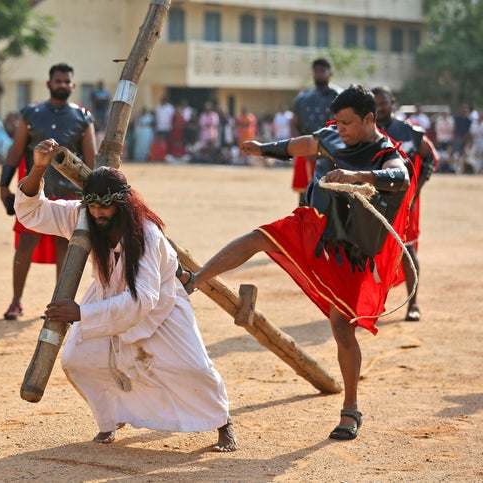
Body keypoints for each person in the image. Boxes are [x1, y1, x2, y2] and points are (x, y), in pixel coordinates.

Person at [187, 85, 415, 441]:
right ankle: (196, 279)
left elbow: (400, 177)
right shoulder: (331, 135)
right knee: (258, 237)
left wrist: (360, 177)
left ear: (369, 119)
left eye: (347, 123)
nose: (340, 129)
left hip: (351, 249)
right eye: (337, 122)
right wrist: (263, 149)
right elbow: (302, 144)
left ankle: (351, 410)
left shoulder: (384, 153)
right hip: (314, 225)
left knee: (342, 329)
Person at [14, 138, 238, 452]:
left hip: (161, 304)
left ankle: (223, 422)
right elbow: (33, 213)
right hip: (107, 300)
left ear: (122, 203)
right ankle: (112, 417)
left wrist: (81, 314)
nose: (97, 212)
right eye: (91, 205)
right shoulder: (85, 216)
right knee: (77, 359)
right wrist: (38, 169)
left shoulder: (146, 234)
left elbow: (142, 300)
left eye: (104, 205)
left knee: (193, 368)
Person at [0, 63, 96, 320]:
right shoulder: (30, 114)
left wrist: (93, 191)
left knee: (66, 245)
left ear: (72, 86)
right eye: (58, 80)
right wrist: (3, 184)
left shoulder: (84, 118)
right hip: (35, 190)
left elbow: (91, 159)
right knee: (25, 244)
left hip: (69, 193)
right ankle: (16, 301)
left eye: (67, 81)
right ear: (49, 83)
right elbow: (15, 150)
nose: (62, 85)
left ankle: (59, 303)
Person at [372, 87, 438, 322]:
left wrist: (416, 188)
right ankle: (373, 303)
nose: (379, 108)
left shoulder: (410, 131)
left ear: (393, 102)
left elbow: (430, 156)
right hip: (374, 202)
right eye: (375, 103)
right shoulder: (366, 132)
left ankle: (413, 304)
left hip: (405, 204)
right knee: (370, 252)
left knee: (407, 250)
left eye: (383, 103)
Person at [291, 58, 342, 205]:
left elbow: (345, 126)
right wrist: (301, 147)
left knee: (329, 194)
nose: (319, 74)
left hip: (330, 153)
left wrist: (324, 149)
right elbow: (294, 124)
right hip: (304, 150)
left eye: (322, 71)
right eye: (316, 71)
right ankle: (302, 224)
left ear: (330, 73)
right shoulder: (302, 98)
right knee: (303, 195)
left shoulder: (339, 96)